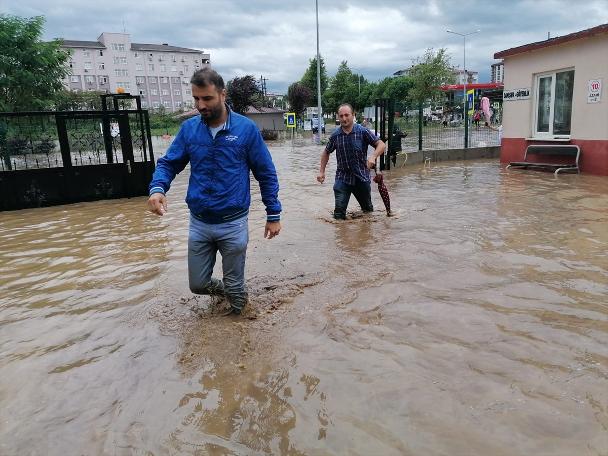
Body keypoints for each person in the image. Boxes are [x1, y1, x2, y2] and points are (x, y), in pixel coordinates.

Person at [147, 67, 282, 316]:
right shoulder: (189, 130)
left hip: (233, 223)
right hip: (199, 222)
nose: (200, 105)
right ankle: (227, 294)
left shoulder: (245, 130)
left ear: (222, 94)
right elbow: (169, 163)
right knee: (197, 284)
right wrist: (158, 188)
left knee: (236, 292)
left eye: (206, 98)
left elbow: (266, 173)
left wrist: (273, 214)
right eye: (196, 98)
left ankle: (241, 327)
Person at [316, 103, 386, 220]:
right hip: (342, 178)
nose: (344, 118)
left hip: (361, 177)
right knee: (338, 215)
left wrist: (373, 156)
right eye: (341, 116)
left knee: (368, 212)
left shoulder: (363, 132)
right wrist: (322, 172)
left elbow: (381, 144)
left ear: (353, 115)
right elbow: (326, 152)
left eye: (347, 115)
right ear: (338, 117)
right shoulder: (335, 136)